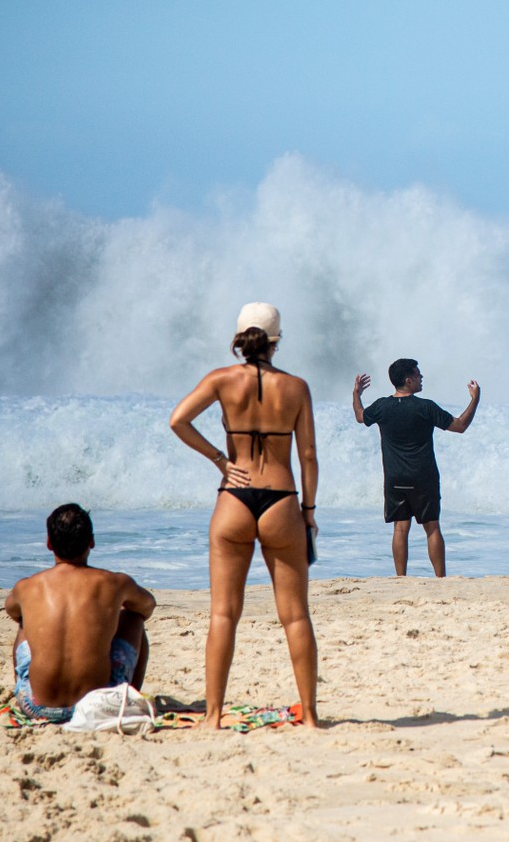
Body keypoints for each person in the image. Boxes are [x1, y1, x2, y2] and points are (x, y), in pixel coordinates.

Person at [170, 302, 320, 729]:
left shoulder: (221, 379)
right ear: (276, 342)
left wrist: (220, 459)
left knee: (223, 614)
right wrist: (308, 510)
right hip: (281, 499)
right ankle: (309, 716)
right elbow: (307, 455)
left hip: (233, 498)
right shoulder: (296, 387)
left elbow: (178, 420)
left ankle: (213, 716)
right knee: (295, 615)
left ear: (239, 338)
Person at [4, 503, 156, 723]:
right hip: (98, 706)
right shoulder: (114, 583)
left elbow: (11, 609)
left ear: (49, 544)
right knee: (133, 618)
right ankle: (128, 694)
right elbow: (147, 606)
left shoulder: (27, 587)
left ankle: (25, 687)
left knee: (24, 622)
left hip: (36, 706)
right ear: (92, 542)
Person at [353, 357, 480, 577]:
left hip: (395, 478)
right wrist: (475, 400)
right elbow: (460, 426)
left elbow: (360, 416)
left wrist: (356, 394)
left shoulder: (382, 406)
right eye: (418, 374)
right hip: (423, 477)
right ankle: (440, 578)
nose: (422, 378)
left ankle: (400, 578)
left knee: (400, 528)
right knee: (432, 528)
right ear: (409, 380)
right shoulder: (425, 407)